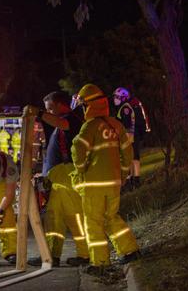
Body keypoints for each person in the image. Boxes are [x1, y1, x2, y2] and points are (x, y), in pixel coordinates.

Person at [72, 84, 140, 273]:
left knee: (93, 222)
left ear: (89, 106)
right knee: (112, 217)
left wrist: (81, 168)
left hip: (93, 184)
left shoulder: (89, 127)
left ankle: (100, 262)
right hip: (114, 182)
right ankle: (130, 250)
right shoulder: (115, 124)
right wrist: (124, 174)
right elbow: (127, 151)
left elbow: (78, 149)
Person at [27, 91, 89, 267]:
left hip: (68, 175)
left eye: (50, 108)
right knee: (54, 217)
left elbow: (63, 124)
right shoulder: (60, 123)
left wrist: (39, 114)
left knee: (75, 216)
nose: (49, 113)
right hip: (59, 177)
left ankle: (85, 254)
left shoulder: (73, 118)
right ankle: (51, 255)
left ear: (60, 104)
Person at [113, 87, 146, 191]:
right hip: (132, 136)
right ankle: (133, 180)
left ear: (123, 98)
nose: (115, 99)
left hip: (130, 137)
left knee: (133, 159)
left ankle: (135, 181)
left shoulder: (125, 108)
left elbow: (126, 125)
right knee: (132, 159)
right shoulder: (126, 106)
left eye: (117, 97)